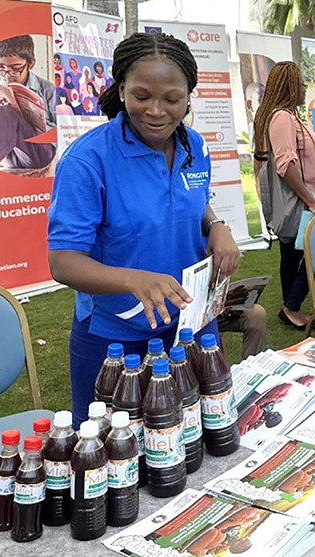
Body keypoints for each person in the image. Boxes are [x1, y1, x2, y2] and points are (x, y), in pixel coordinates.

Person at [47, 32, 241, 428]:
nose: (156, 111)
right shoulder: (87, 161)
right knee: (115, 452)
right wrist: (134, 279)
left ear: (189, 96)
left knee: (198, 431)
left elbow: (189, 199)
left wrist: (216, 225)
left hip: (190, 325)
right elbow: (63, 263)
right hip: (115, 338)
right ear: (121, 91)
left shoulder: (194, 146)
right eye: (141, 96)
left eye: (172, 99)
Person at [253, 61, 315, 330]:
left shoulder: (282, 116)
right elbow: (286, 165)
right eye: (302, 83)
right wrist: (310, 201)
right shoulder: (282, 117)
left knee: (291, 255)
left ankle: (290, 307)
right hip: (300, 201)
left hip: (301, 199)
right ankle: (292, 305)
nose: (305, 88)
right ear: (291, 86)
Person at [0, 35, 56, 171]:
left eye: (15, 68)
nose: (7, 74)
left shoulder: (48, 90)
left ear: (30, 64)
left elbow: (61, 130)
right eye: (0, 67)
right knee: (3, 111)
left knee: (7, 112)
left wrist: (29, 122)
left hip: (38, 151)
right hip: (7, 153)